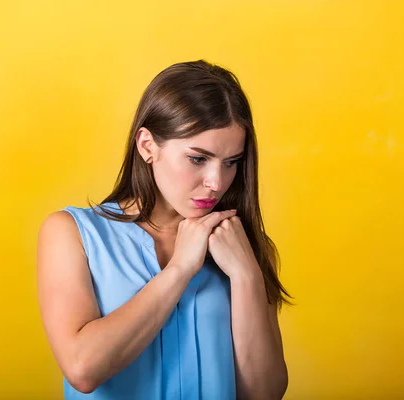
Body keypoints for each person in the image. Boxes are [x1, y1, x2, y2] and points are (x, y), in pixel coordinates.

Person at [37, 60, 291, 399]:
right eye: (198, 159)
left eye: (231, 163)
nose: (216, 182)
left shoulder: (245, 248)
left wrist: (246, 276)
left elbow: (263, 394)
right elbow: (83, 368)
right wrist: (180, 270)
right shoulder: (73, 235)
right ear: (147, 146)